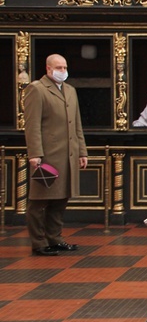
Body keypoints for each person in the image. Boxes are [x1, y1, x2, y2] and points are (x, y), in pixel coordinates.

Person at [23, 54, 88, 256]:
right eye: (59, 67)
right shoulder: (37, 89)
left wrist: (82, 151)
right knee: (40, 201)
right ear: (48, 69)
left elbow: (76, 124)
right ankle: (39, 242)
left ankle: (55, 238)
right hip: (47, 155)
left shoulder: (70, 90)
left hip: (68, 154)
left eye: (65, 67)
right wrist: (35, 153)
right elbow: (32, 125)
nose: (63, 71)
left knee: (61, 199)